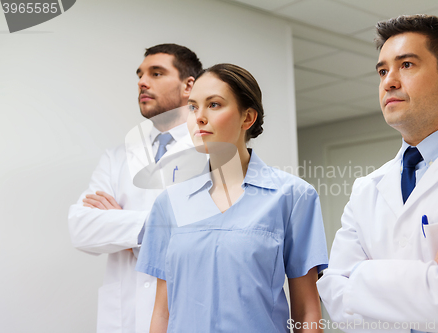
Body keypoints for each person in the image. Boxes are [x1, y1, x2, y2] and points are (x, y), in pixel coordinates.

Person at [317, 14, 438, 332]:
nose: (389, 81)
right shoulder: (366, 189)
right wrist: (429, 271)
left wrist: (360, 275)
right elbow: (334, 295)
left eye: (407, 65)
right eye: (383, 70)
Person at [135, 64, 329, 333]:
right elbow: (162, 313)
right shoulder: (169, 204)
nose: (199, 117)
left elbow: (307, 310)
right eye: (192, 107)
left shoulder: (293, 197)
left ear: (247, 117)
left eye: (214, 105)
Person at [68, 44, 202, 333]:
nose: (142, 81)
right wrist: (156, 226)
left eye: (156, 73)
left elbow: (201, 239)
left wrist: (120, 223)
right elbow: (80, 229)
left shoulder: (211, 152)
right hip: (123, 319)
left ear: (188, 85)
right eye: (140, 74)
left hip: (185, 316)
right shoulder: (117, 156)